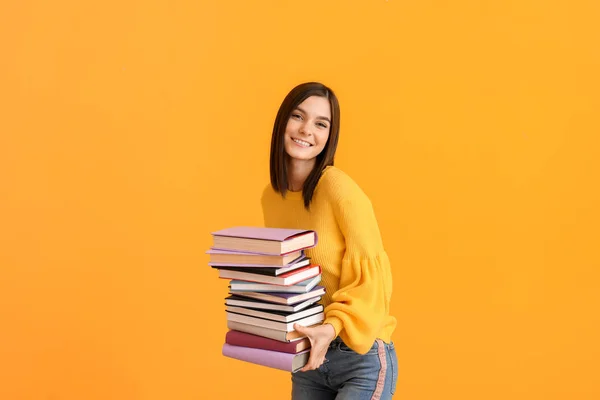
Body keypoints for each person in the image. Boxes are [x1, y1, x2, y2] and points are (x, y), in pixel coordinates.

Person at [261, 82, 398, 399]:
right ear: (282, 122)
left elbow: (374, 285)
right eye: (298, 116)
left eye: (321, 123)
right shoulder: (272, 196)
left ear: (329, 136)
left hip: (359, 355)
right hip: (309, 355)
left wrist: (332, 327)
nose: (306, 130)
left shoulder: (340, 190)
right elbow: (288, 279)